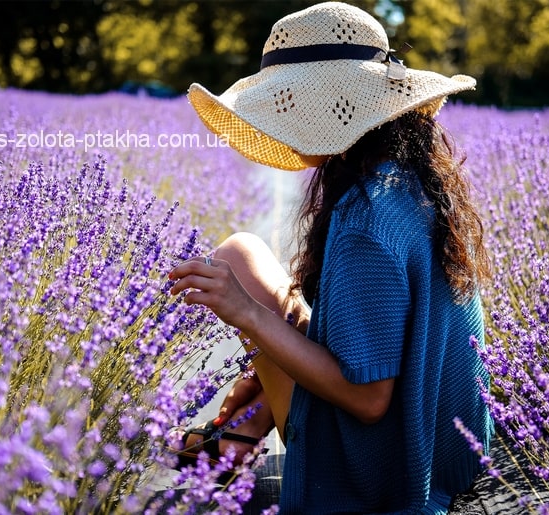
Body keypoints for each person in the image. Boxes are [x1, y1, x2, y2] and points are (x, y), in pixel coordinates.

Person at [168, 2, 494, 513]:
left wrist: (246, 314)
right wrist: (263, 371)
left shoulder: (366, 219)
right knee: (242, 253)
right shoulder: (412, 182)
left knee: (238, 275)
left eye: (287, 103)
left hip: (384, 469)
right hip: (445, 445)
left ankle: (238, 436)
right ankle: (246, 427)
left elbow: (368, 400)